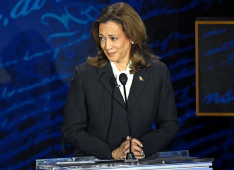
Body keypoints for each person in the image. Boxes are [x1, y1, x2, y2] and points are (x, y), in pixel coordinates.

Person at [61, 2, 180, 160]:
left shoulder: (157, 72)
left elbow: (169, 124)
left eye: (113, 38)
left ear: (132, 37)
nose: (106, 46)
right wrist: (112, 152)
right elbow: (71, 130)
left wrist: (140, 148)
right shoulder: (85, 74)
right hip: (96, 163)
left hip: (140, 164)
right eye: (102, 38)